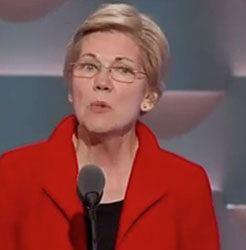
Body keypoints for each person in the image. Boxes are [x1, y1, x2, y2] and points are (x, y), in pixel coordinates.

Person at [0, 3, 220, 249]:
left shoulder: (186, 185)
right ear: (71, 86)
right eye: (89, 66)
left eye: (122, 70)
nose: (101, 82)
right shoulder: (15, 174)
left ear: (149, 96)